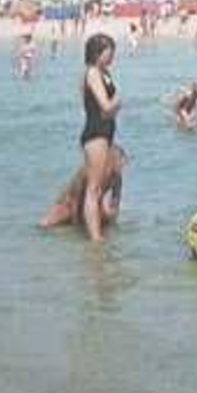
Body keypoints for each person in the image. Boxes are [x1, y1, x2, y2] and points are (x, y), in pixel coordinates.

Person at [80, 33, 122, 243]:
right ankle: (95, 237)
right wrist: (117, 100)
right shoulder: (93, 73)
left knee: (101, 184)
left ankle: (98, 227)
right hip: (95, 132)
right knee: (94, 187)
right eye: (109, 53)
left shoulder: (104, 72)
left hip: (105, 132)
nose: (112, 56)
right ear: (98, 53)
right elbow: (105, 106)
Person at [39, 145, 127, 231]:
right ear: (111, 160)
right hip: (68, 204)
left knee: (106, 224)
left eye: (124, 163)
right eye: (120, 162)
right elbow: (74, 198)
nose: (123, 166)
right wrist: (76, 225)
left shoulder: (117, 178)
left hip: (91, 206)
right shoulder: (89, 171)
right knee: (44, 224)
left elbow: (116, 201)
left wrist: (112, 219)